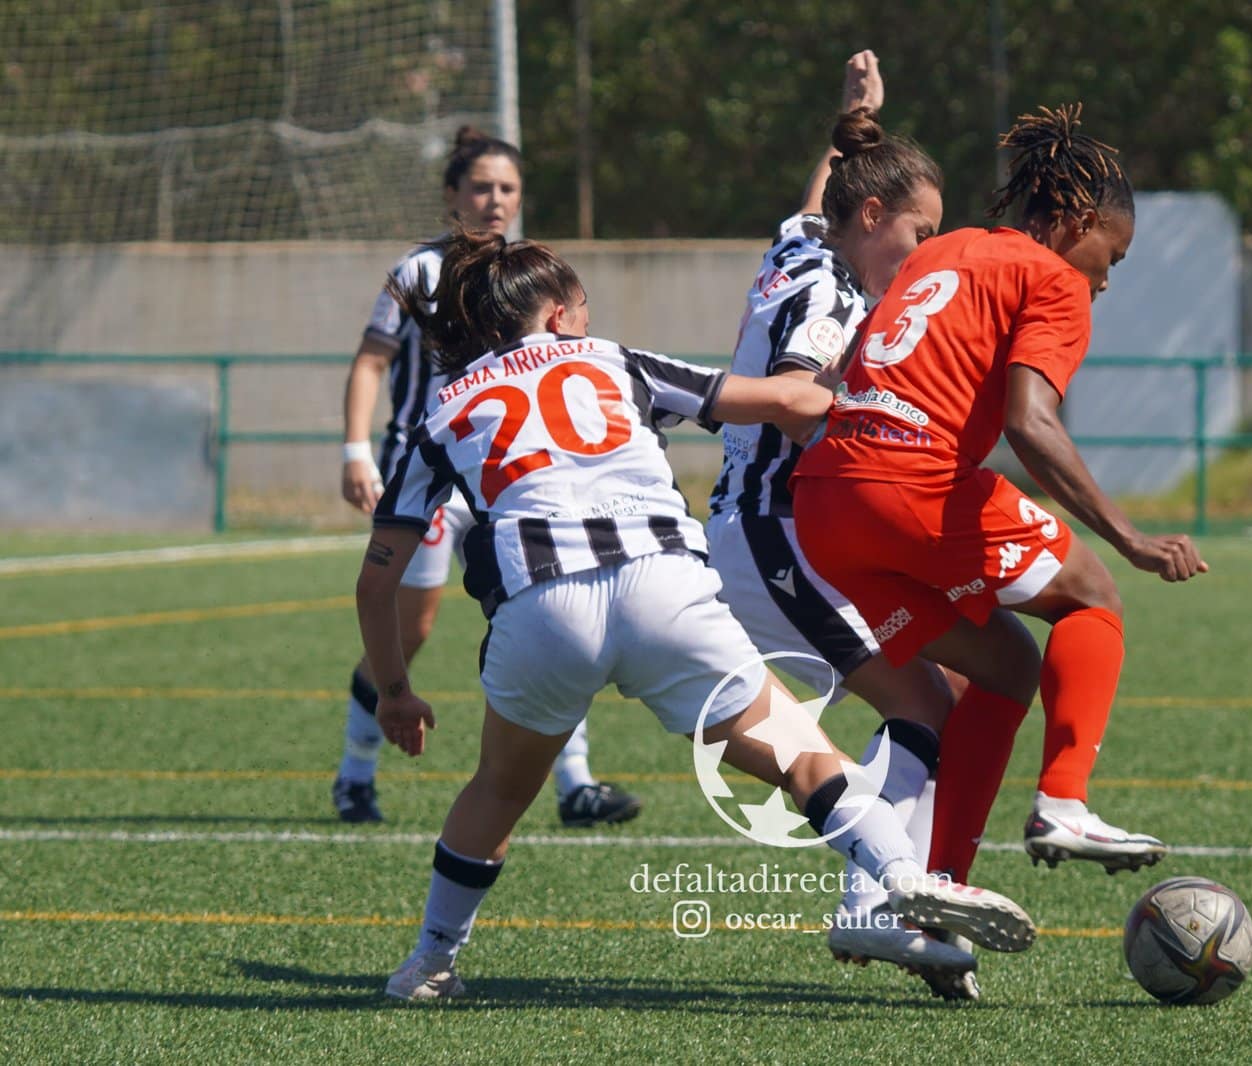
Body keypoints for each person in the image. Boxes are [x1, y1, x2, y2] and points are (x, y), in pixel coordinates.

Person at [358, 230, 1035, 1001]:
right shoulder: (612, 358)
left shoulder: (444, 407)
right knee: (805, 762)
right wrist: (879, 416)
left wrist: (394, 691)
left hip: (544, 610)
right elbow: (783, 399)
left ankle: (430, 963)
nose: (586, 318)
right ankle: (902, 876)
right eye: (580, 307)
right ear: (554, 315)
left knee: (497, 792)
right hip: (667, 595)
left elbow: (377, 581)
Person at [792, 103, 1207, 891]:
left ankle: (941, 885)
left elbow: (842, 370)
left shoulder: (942, 249)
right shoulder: (1053, 280)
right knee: (1092, 597)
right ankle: (1065, 802)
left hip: (825, 504)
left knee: (1007, 668)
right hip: (909, 481)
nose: (1106, 278)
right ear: (1077, 220)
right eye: (1110, 254)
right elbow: (1031, 424)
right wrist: (1130, 538)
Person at [706, 52, 980, 997]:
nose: (928, 250)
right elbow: (794, 395)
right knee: (931, 703)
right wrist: (874, 404)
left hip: (777, 532)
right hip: (774, 531)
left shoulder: (800, 244)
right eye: (922, 231)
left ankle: (890, 894)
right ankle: (876, 901)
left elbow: (821, 199)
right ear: (873, 219)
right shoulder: (831, 293)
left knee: (938, 688)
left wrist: (854, 120)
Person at [334, 126, 640, 829]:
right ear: (452, 196)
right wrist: (356, 450)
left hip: (508, 473)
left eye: (507, 188)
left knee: (553, 603)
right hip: (431, 472)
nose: (494, 200)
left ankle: (576, 784)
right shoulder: (417, 271)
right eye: (480, 186)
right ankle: (355, 773)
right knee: (410, 631)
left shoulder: (529, 272)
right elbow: (372, 361)